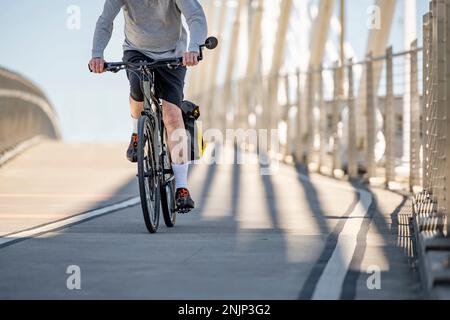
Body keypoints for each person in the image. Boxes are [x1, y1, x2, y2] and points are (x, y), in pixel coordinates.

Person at [89, 0, 207, 211]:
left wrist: (194, 48)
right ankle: (137, 134)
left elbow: (195, 16)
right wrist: (97, 55)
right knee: (137, 93)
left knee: (172, 116)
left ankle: (181, 187)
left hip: (175, 53)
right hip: (137, 51)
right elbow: (105, 21)